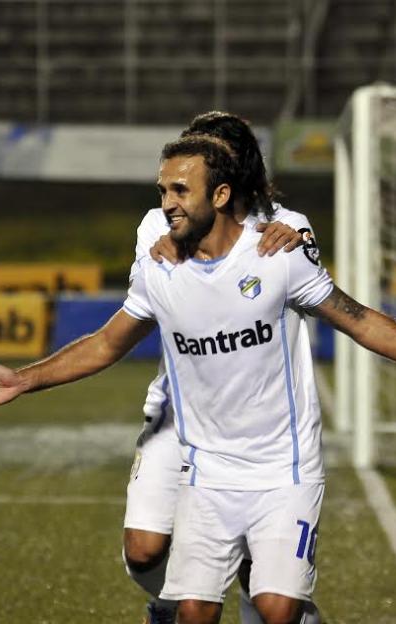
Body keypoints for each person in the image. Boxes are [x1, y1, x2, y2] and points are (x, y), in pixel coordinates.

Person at [0, 136, 396, 624]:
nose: (166, 204)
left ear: (221, 195)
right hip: (207, 473)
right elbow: (105, 343)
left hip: (285, 469)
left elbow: (358, 319)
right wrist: (24, 380)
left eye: (180, 191)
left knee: (275, 610)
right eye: (162, 191)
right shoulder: (157, 266)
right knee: (191, 613)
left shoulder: (278, 255)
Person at [127, 111, 321, 624]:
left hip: (253, 425)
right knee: (142, 549)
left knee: (263, 581)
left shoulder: (288, 227)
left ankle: (255, 588)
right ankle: (175, 598)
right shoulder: (159, 221)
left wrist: (286, 246)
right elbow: (146, 300)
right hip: (178, 407)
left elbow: (311, 296)